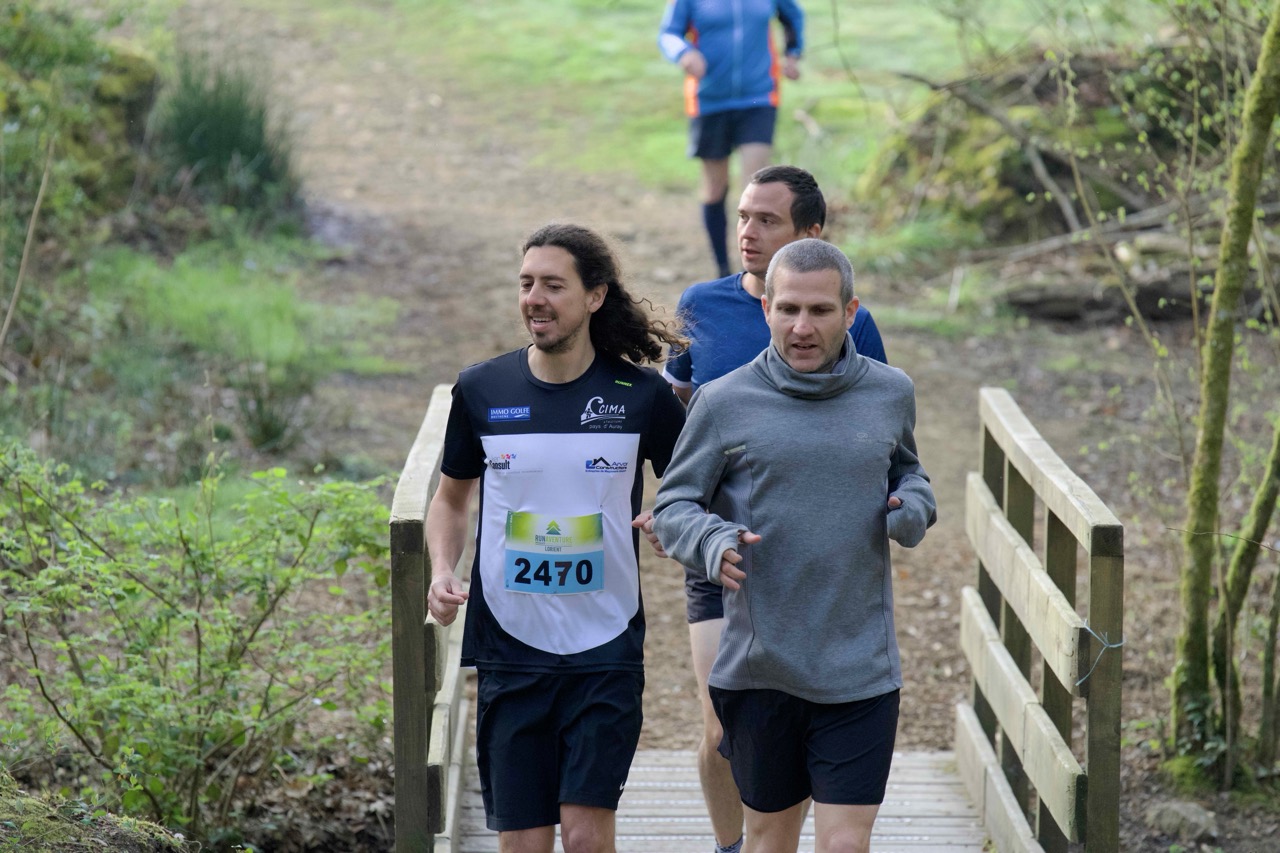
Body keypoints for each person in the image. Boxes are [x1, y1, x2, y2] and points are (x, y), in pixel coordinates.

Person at [651, 238, 937, 853]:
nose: (802, 327)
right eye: (788, 309)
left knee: (844, 845)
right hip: (762, 669)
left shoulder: (890, 392)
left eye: (820, 310)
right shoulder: (723, 401)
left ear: (850, 312)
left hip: (860, 668)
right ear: (767, 310)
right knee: (769, 842)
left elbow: (909, 473)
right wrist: (711, 538)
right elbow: (673, 506)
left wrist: (912, 506)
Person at [426, 223, 687, 853]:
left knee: (586, 836)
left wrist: (673, 517)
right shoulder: (482, 389)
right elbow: (450, 500)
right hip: (511, 646)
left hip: (606, 645)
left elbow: (694, 486)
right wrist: (441, 570)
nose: (534, 299)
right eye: (526, 284)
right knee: (523, 842)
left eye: (552, 285)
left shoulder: (641, 395)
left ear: (595, 296)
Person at [659, 0, 806, 278]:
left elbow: (792, 15)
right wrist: (684, 53)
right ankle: (723, 271)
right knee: (715, 188)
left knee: (755, 187)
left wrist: (793, 55)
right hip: (709, 100)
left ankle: (750, 272)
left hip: (759, 98)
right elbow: (668, 34)